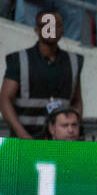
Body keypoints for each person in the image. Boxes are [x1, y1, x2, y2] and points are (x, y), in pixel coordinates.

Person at [1, 11, 84, 140]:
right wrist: (23, 135)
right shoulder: (19, 59)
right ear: (36, 30)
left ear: (62, 30)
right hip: (25, 140)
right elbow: (5, 99)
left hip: (61, 144)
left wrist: (72, 128)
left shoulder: (73, 61)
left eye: (56, 25)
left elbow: (77, 100)